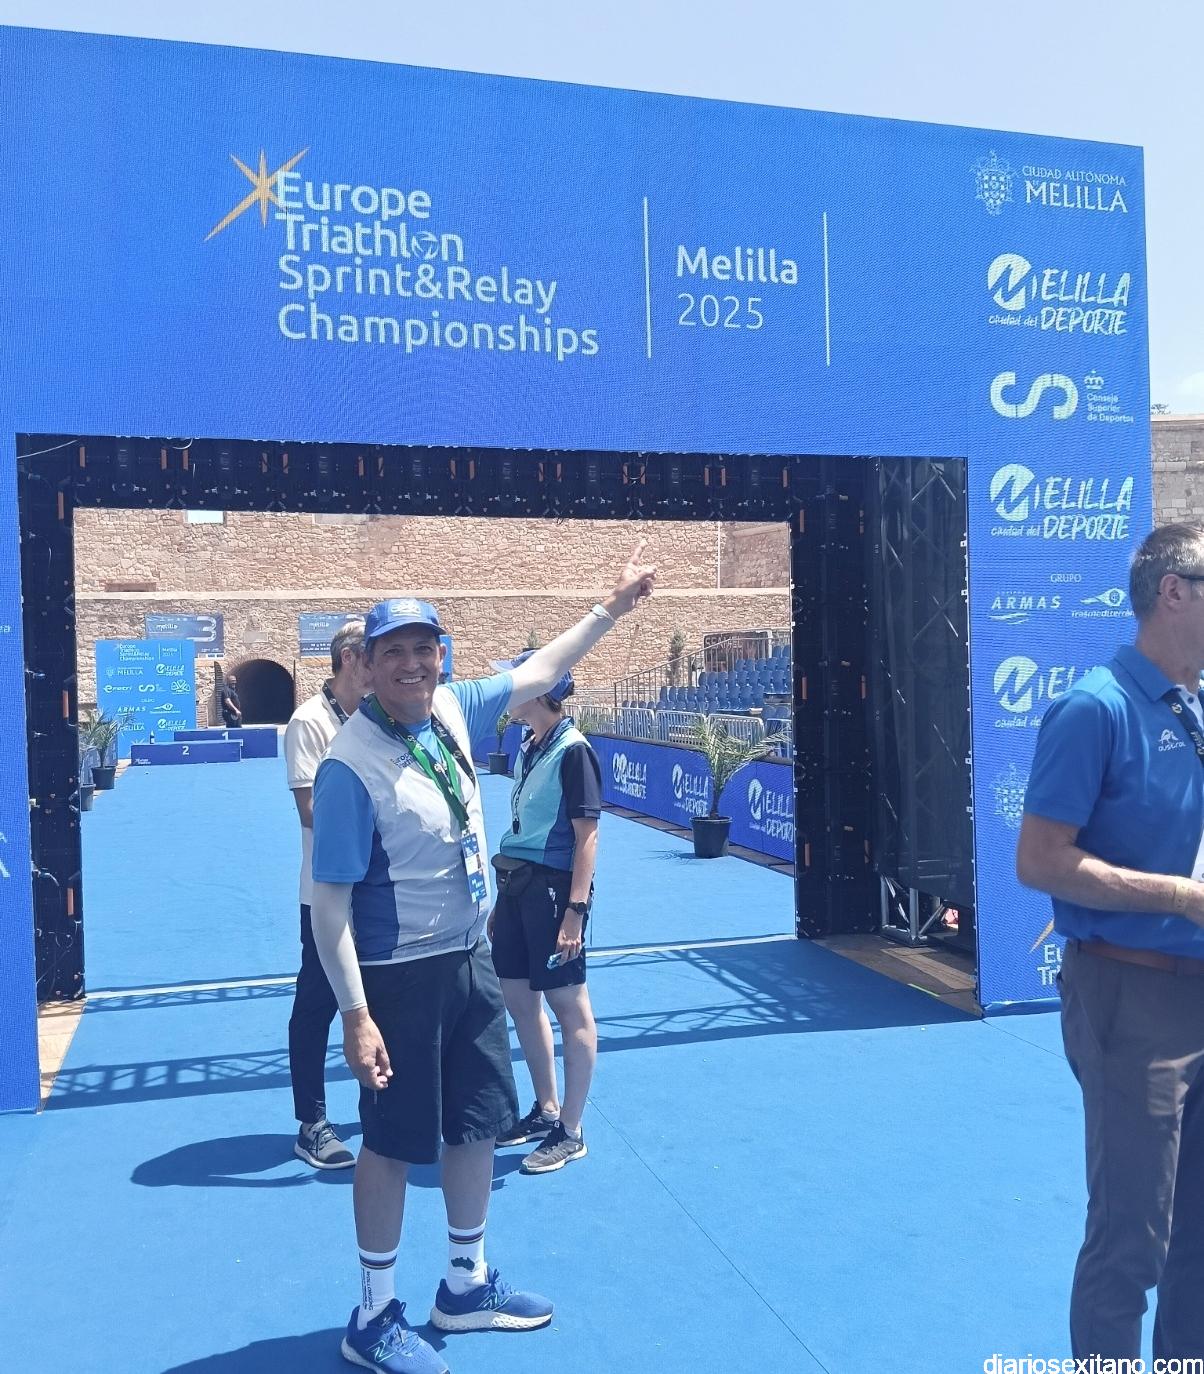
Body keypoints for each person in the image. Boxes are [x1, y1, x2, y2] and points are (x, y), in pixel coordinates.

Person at [309, 544, 655, 1374]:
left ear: (442, 657)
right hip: (398, 976)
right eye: (393, 651)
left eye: (424, 648)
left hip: (469, 957)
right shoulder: (348, 766)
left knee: (476, 1126)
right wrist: (355, 1015)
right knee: (391, 1144)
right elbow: (329, 907)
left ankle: (464, 1286)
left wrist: (611, 608)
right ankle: (373, 1315)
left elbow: (544, 666)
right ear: (365, 666)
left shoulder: (453, 708)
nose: (412, 664)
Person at [1016, 521, 1204, 1364]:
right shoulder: (1095, 708)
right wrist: (1180, 898)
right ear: (1175, 591)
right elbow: (1039, 860)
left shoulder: (1195, 707)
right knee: (1132, 1240)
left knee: (1199, 1240)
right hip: (1132, 999)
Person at [488, 652, 600, 1174]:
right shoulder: (531, 744)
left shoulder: (574, 751)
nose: (508, 691)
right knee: (517, 997)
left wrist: (575, 911)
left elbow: (587, 837)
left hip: (554, 891)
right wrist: (503, 900)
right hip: (517, 887)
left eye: (517, 682)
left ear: (540, 690)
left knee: (569, 1007)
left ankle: (570, 1131)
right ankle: (546, 1109)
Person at [284, 618, 371, 1169]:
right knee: (318, 1005)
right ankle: (311, 1122)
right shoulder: (309, 722)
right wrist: (382, 819)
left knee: (382, 1000)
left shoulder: (379, 717)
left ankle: (384, 1105)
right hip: (327, 894)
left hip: (381, 892)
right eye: (375, 656)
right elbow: (310, 810)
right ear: (349, 660)